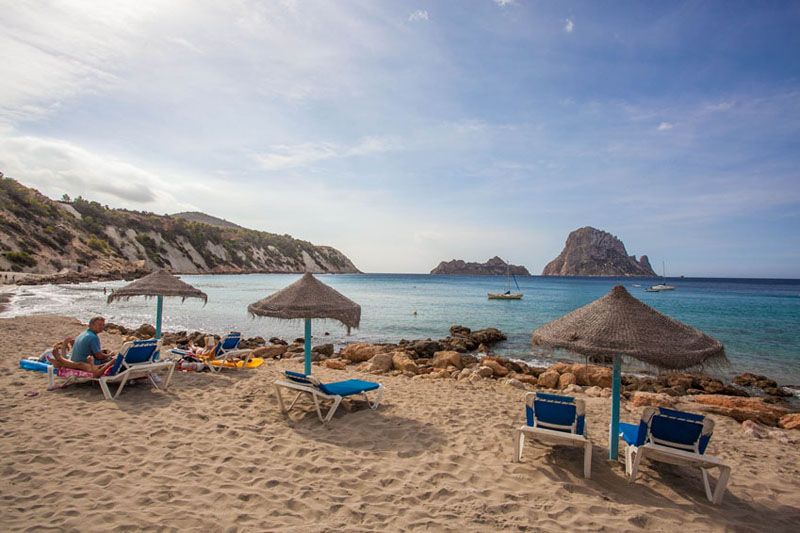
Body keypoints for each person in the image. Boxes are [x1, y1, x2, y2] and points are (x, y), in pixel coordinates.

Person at [50, 337, 115, 378]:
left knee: (81, 364)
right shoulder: (120, 359)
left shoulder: (116, 360)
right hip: (102, 366)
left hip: (98, 369)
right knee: (80, 364)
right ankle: (61, 362)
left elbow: (96, 374)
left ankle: (61, 361)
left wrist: (91, 363)